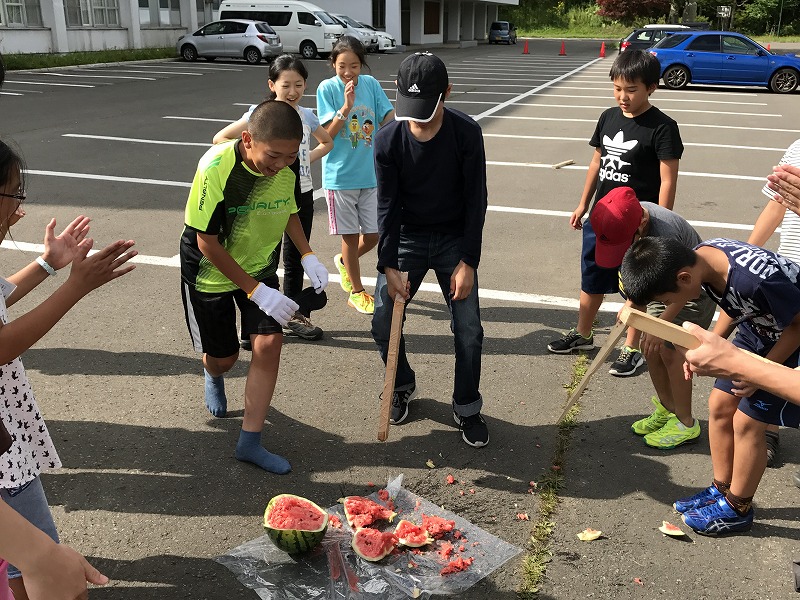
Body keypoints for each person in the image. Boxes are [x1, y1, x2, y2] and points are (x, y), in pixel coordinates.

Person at [0, 140, 135, 599]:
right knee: (49, 568)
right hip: (3, 454)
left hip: (7, 431)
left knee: (24, 562)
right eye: (14, 195)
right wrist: (74, 287)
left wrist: (46, 265)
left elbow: (0, 296)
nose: (18, 211)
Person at [180, 100, 328, 474]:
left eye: (291, 156)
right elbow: (206, 242)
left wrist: (309, 255)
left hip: (259, 263)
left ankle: (250, 441)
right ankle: (212, 372)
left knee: (269, 342)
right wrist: (258, 293)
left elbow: (289, 208)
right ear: (247, 140)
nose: (281, 164)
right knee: (226, 358)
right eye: (273, 155)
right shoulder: (214, 166)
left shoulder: (289, 166)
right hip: (210, 271)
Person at [620, 236, 800, 535]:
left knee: (748, 421)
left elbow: (797, 326)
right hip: (758, 329)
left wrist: (757, 372)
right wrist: (710, 344)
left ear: (684, 277)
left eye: (667, 300)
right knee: (719, 404)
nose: (670, 306)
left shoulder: (758, 279)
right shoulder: (704, 261)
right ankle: (721, 488)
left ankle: (738, 507)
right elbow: (734, 302)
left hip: (790, 340)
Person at [371, 52, 489, 447]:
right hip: (407, 236)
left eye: (426, 110)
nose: (418, 121)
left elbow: (477, 201)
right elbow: (386, 205)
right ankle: (402, 385)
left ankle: (467, 405)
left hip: (454, 238)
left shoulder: (466, 132)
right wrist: (387, 263)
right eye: (410, 109)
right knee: (382, 321)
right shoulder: (388, 139)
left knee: (469, 329)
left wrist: (468, 261)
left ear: (447, 94)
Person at [547, 49, 683, 378]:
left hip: (637, 226)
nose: (623, 97)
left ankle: (631, 347)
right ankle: (583, 334)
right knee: (591, 277)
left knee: (636, 287)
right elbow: (597, 162)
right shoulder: (608, 117)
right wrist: (583, 204)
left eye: (631, 90)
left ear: (651, 87)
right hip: (601, 218)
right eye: (617, 88)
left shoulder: (663, 128)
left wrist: (659, 220)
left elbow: (668, 179)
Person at [213, 55, 333, 341]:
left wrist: (303, 160)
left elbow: (327, 141)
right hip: (263, 192)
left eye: (299, 84)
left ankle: (295, 315)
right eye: (286, 85)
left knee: (296, 259)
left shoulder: (306, 115)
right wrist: (252, 164)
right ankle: (255, 319)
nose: (293, 91)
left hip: (300, 192)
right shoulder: (259, 114)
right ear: (272, 84)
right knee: (260, 257)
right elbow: (220, 139)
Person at [589, 187, 715, 449]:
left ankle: (686, 423)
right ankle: (668, 410)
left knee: (671, 351)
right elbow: (642, 277)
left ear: (643, 223)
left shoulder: (665, 234)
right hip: (662, 290)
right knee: (650, 347)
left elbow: (684, 288)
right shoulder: (626, 218)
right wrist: (631, 308)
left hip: (691, 293)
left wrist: (660, 326)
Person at [713, 140, 800, 468]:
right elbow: (777, 205)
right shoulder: (796, 148)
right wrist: (745, 254)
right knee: (771, 347)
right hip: (785, 273)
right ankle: (767, 430)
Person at [316, 36, 394, 315]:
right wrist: (346, 107)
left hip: (370, 174)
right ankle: (357, 292)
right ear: (333, 64)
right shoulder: (327, 88)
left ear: (362, 65)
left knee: (373, 234)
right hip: (341, 177)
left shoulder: (371, 85)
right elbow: (327, 135)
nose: (348, 72)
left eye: (354, 65)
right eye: (342, 66)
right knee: (349, 236)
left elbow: (387, 115)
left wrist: (394, 140)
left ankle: (345, 262)